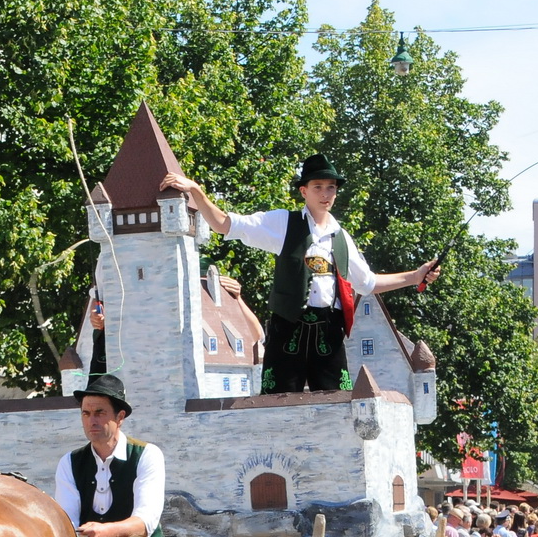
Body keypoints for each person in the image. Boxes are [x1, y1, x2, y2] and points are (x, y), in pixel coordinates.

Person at [161, 158, 441, 393]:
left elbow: (367, 282)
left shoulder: (340, 237)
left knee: (336, 403)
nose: (325, 194)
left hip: (328, 334)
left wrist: (415, 276)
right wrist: (197, 191)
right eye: (318, 187)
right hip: (288, 329)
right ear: (303, 191)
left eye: (331, 188)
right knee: (275, 402)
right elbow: (224, 224)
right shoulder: (284, 222)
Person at [52, 373, 167, 537]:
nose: (91, 421)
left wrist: (104, 533)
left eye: (99, 413)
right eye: (86, 413)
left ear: (120, 416)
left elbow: (145, 523)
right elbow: (67, 524)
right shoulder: (70, 462)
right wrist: (83, 535)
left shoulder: (146, 455)